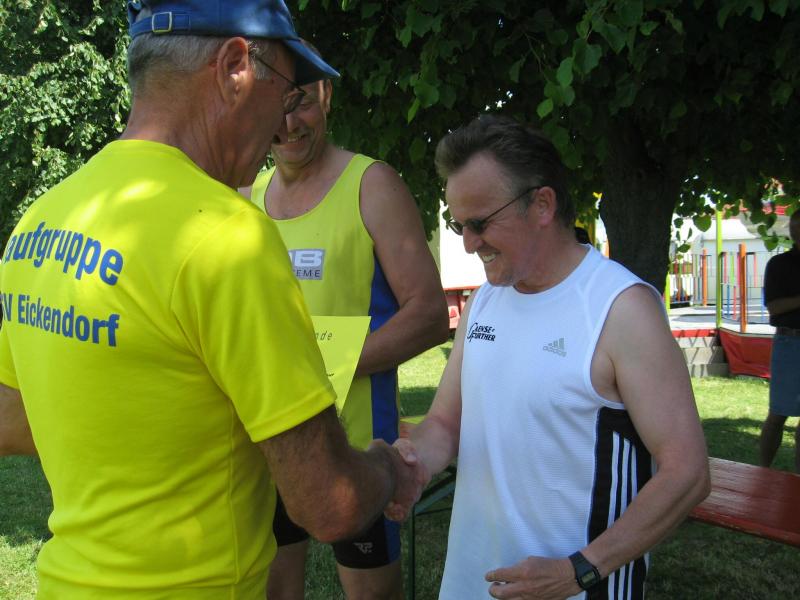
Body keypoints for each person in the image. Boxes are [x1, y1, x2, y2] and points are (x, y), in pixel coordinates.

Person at [0, 1, 419, 598]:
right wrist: (386, 466)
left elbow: (12, 421)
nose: (281, 126)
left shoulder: (42, 219)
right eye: (284, 90)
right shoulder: (227, 234)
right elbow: (328, 503)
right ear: (235, 66)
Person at [387, 115, 710, 600]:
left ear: (542, 204)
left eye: (480, 223)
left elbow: (687, 473)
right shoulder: (484, 302)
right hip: (470, 584)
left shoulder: (620, 309)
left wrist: (578, 571)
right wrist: (415, 466)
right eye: (459, 226)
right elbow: (446, 425)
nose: (469, 243)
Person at [240, 51, 449, 600]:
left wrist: (331, 365)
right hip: (270, 441)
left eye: (301, 103)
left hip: (358, 446)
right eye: (276, 107)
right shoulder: (244, 198)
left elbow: (430, 314)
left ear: (326, 96)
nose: (289, 123)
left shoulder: (371, 184)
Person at [759, 210, 800, 472]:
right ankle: (762, 470)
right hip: (790, 343)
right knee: (778, 414)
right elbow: (774, 307)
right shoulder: (779, 264)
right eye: (796, 229)